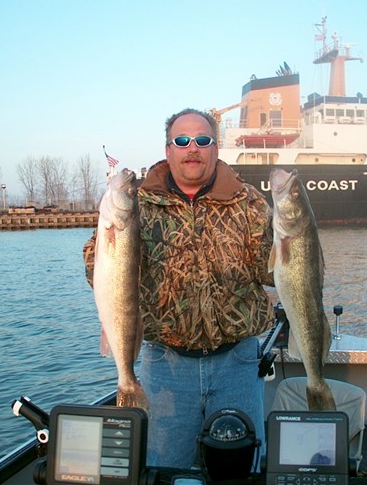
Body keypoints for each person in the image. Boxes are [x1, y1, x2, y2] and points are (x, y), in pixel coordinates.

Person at [83, 108, 274, 469]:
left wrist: (295, 246)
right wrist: (107, 237)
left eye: (202, 140)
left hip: (237, 362)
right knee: (164, 468)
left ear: (215, 148)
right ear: (168, 150)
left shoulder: (248, 202)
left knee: (242, 467)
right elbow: (97, 271)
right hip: (165, 363)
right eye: (182, 140)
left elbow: (272, 273)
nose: (192, 148)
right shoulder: (138, 205)